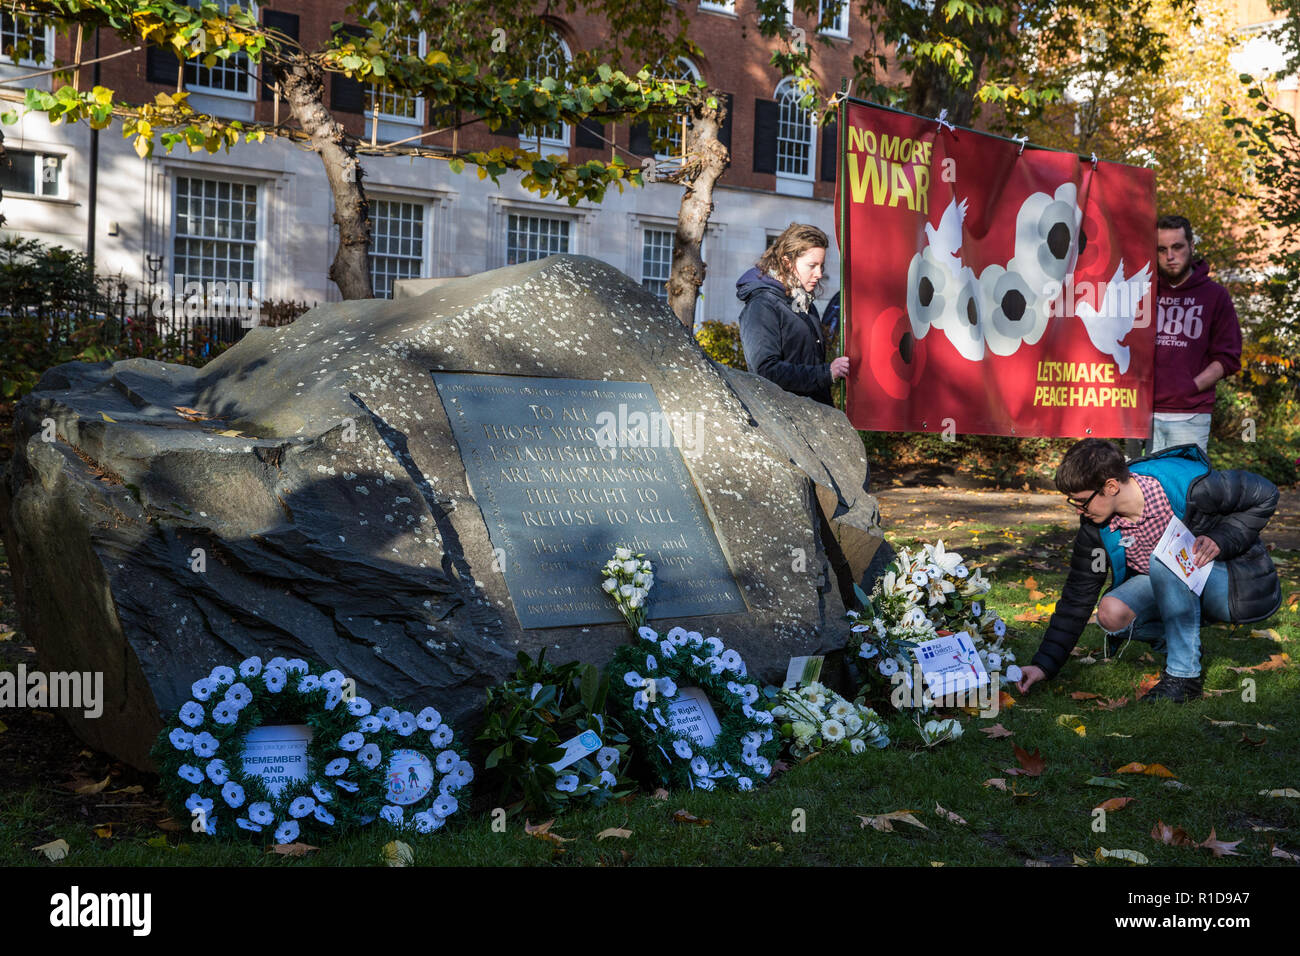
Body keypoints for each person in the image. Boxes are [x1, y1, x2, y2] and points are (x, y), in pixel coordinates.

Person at [1016, 438, 1280, 703]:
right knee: (1111, 613)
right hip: (1170, 587)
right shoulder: (1095, 525)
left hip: (1227, 583)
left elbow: (1266, 493)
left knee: (1165, 556)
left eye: (1082, 501)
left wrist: (1222, 538)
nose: (1079, 511)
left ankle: (1184, 678)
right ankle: (1187, 647)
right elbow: (1077, 595)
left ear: (1110, 486)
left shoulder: (1191, 486)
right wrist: (1043, 665)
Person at [1146, 215, 1242, 454]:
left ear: (1191, 246)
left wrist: (1189, 387)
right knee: (1144, 489)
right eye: (1162, 249)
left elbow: (1228, 358)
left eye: (1177, 247)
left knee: (1185, 488)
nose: (1170, 256)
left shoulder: (1214, 295)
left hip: (1190, 415)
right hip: (1143, 414)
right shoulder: (1143, 291)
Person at [735, 223, 849, 406]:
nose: (819, 274)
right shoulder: (762, 305)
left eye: (821, 266)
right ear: (787, 262)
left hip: (814, 417)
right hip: (785, 421)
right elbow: (765, 371)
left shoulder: (803, 302)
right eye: (812, 265)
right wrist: (826, 373)